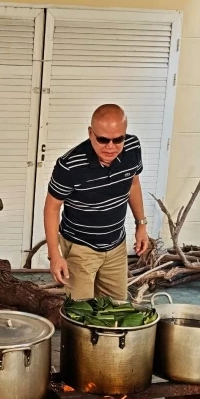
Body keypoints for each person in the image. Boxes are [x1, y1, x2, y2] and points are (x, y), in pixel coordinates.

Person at [43, 103, 151, 300]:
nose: (111, 147)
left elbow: (133, 184)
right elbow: (52, 207)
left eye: (118, 139)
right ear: (90, 133)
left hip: (116, 245)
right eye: (103, 139)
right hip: (80, 247)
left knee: (115, 308)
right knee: (80, 313)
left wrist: (141, 224)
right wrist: (54, 254)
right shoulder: (69, 165)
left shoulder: (133, 148)